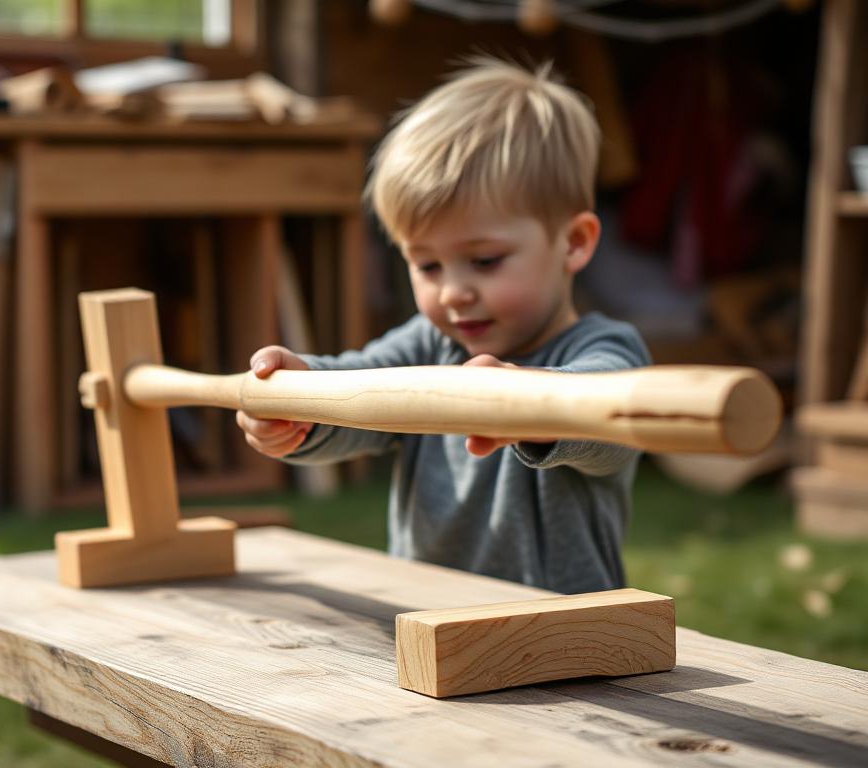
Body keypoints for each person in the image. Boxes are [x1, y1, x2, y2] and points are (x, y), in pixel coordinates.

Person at [236, 57, 651, 594]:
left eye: (484, 261)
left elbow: (612, 425)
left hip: (566, 641)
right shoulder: (429, 345)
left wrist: (531, 405)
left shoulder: (607, 349)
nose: (453, 292)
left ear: (573, 242)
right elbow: (355, 387)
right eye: (427, 266)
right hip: (427, 627)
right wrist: (298, 400)